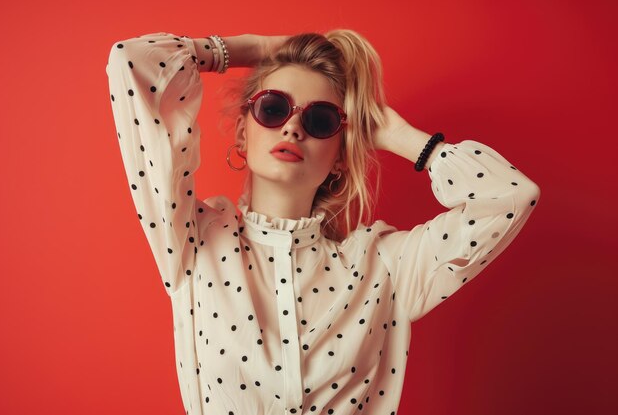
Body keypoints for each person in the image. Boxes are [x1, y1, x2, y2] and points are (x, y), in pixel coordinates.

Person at [106, 30, 540, 415]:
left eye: (320, 120)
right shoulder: (195, 242)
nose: (293, 127)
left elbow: (510, 197)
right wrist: (259, 48)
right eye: (273, 108)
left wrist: (397, 134)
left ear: (340, 158)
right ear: (242, 133)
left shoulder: (383, 267)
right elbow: (133, 61)